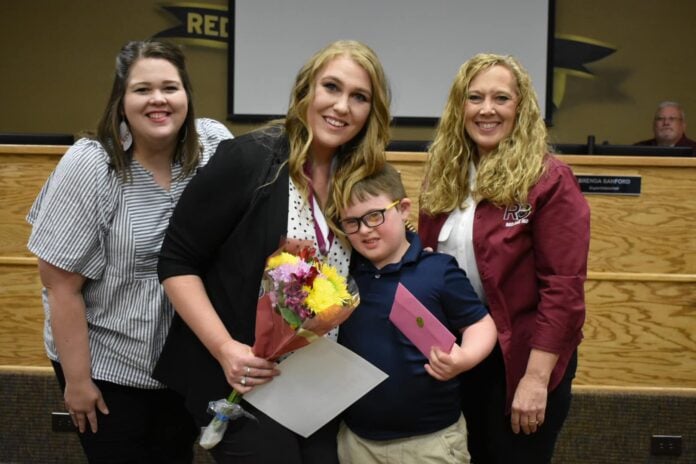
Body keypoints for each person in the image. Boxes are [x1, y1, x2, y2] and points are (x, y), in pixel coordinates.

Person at [151, 40, 392, 464]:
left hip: (313, 387)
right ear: (306, 92)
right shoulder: (249, 159)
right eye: (331, 87)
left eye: (359, 97)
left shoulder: (358, 179)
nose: (342, 106)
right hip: (239, 378)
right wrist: (225, 348)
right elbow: (177, 261)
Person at [26, 40, 232, 463]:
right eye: (142, 90)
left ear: (187, 96)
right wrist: (78, 383)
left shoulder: (213, 145)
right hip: (107, 368)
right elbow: (60, 287)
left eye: (170, 88)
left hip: (181, 365)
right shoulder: (91, 166)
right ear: (121, 101)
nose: (158, 99)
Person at [418, 53, 590, 464]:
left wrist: (535, 380)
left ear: (520, 107)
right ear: (460, 107)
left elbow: (563, 290)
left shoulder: (548, 180)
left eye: (501, 98)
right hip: (459, 354)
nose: (487, 109)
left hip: (522, 358)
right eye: (475, 97)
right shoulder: (444, 176)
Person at [335, 163, 497, 464]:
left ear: (404, 209)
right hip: (357, 440)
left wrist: (464, 358)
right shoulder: (343, 275)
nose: (365, 230)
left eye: (375, 216)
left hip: (430, 442)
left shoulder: (437, 270)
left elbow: (480, 323)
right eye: (352, 222)